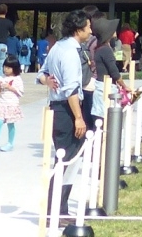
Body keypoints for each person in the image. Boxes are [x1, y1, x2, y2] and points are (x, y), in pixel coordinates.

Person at [41, 12, 92, 220]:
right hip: (66, 110)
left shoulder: (57, 47)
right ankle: (55, 211)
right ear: (78, 29)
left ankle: (59, 209)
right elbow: (71, 89)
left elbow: (41, 73)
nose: (90, 30)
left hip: (57, 106)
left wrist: (47, 82)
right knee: (66, 160)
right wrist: (78, 117)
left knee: (66, 159)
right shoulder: (70, 53)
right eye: (88, 27)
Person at [0, 56, 24, 153]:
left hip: (12, 104)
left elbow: (20, 92)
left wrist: (9, 87)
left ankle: (10, 143)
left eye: (8, 68)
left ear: (15, 68)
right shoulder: (1, 78)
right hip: (2, 104)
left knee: (10, 124)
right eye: (5, 67)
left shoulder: (17, 79)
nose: (6, 69)